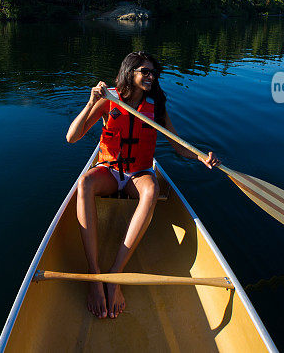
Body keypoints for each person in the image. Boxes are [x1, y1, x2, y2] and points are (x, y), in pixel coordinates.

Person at [65, 51, 220, 319]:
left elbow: (176, 144)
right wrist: (91, 103)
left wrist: (200, 157)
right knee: (85, 183)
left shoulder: (156, 106)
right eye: (144, 72)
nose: (151, 76)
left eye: (153, 72)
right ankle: (94, 275)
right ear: (130, 73)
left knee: (151, 190)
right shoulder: (109, 100)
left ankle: (114, 276)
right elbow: (72, 137)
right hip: (110, 170)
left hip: (139, 174)